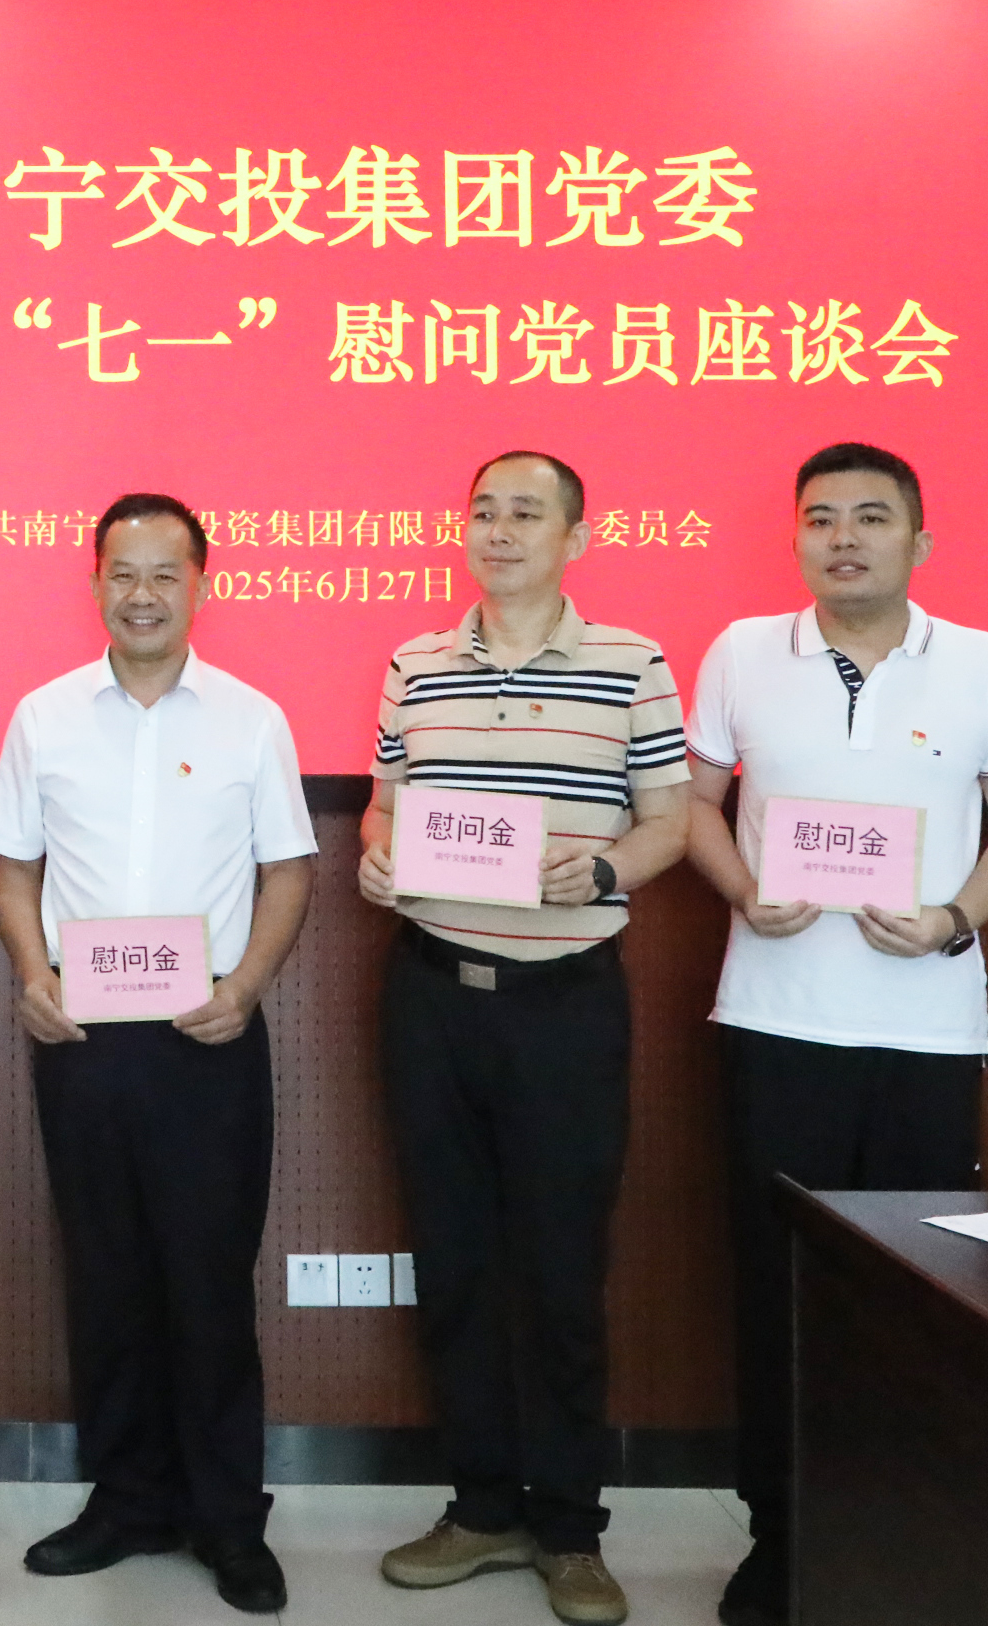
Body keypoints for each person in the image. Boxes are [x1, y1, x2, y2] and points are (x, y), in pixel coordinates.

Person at [681, 443, 988, 1626]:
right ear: (796, 537)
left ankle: (902, 1535)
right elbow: (691, 804)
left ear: (919, 540)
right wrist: (743, 886)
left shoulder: (986, 662)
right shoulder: (742, 651)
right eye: (822, 517)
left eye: (872, 516)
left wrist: (951, 917)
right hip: (775, 1018)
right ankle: (781, 1537)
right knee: (776, 1288)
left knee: (914, 1295)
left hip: (926, 1030)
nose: (844, 536)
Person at [358, 450, 688, 1626]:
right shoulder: (415, 662)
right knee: (453, 1260)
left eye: (526, 513)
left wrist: (600, 869)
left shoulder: (632, 663)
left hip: (564, 1003)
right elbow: (387, 802)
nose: (498, 530)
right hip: (432, 996)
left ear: (576, 536)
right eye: (484, 511)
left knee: (559, 1269)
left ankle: (569, 1525)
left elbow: (669, 820)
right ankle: (481, 1504)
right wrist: (377, 855)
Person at [0, 495, 315, 1616]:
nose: (142, 594)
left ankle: (229, 1518)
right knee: (108, 1275)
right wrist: (30, 972)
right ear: (95, 583)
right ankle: (127, 1500)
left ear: (200, 585)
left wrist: (247, 986)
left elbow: (289, 869)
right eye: (122, 573)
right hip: (82, 1039)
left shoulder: (252, 720)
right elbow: (12, 865)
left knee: (209, 1283)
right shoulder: (43, 717)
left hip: (206, 1038)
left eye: (165, 573)